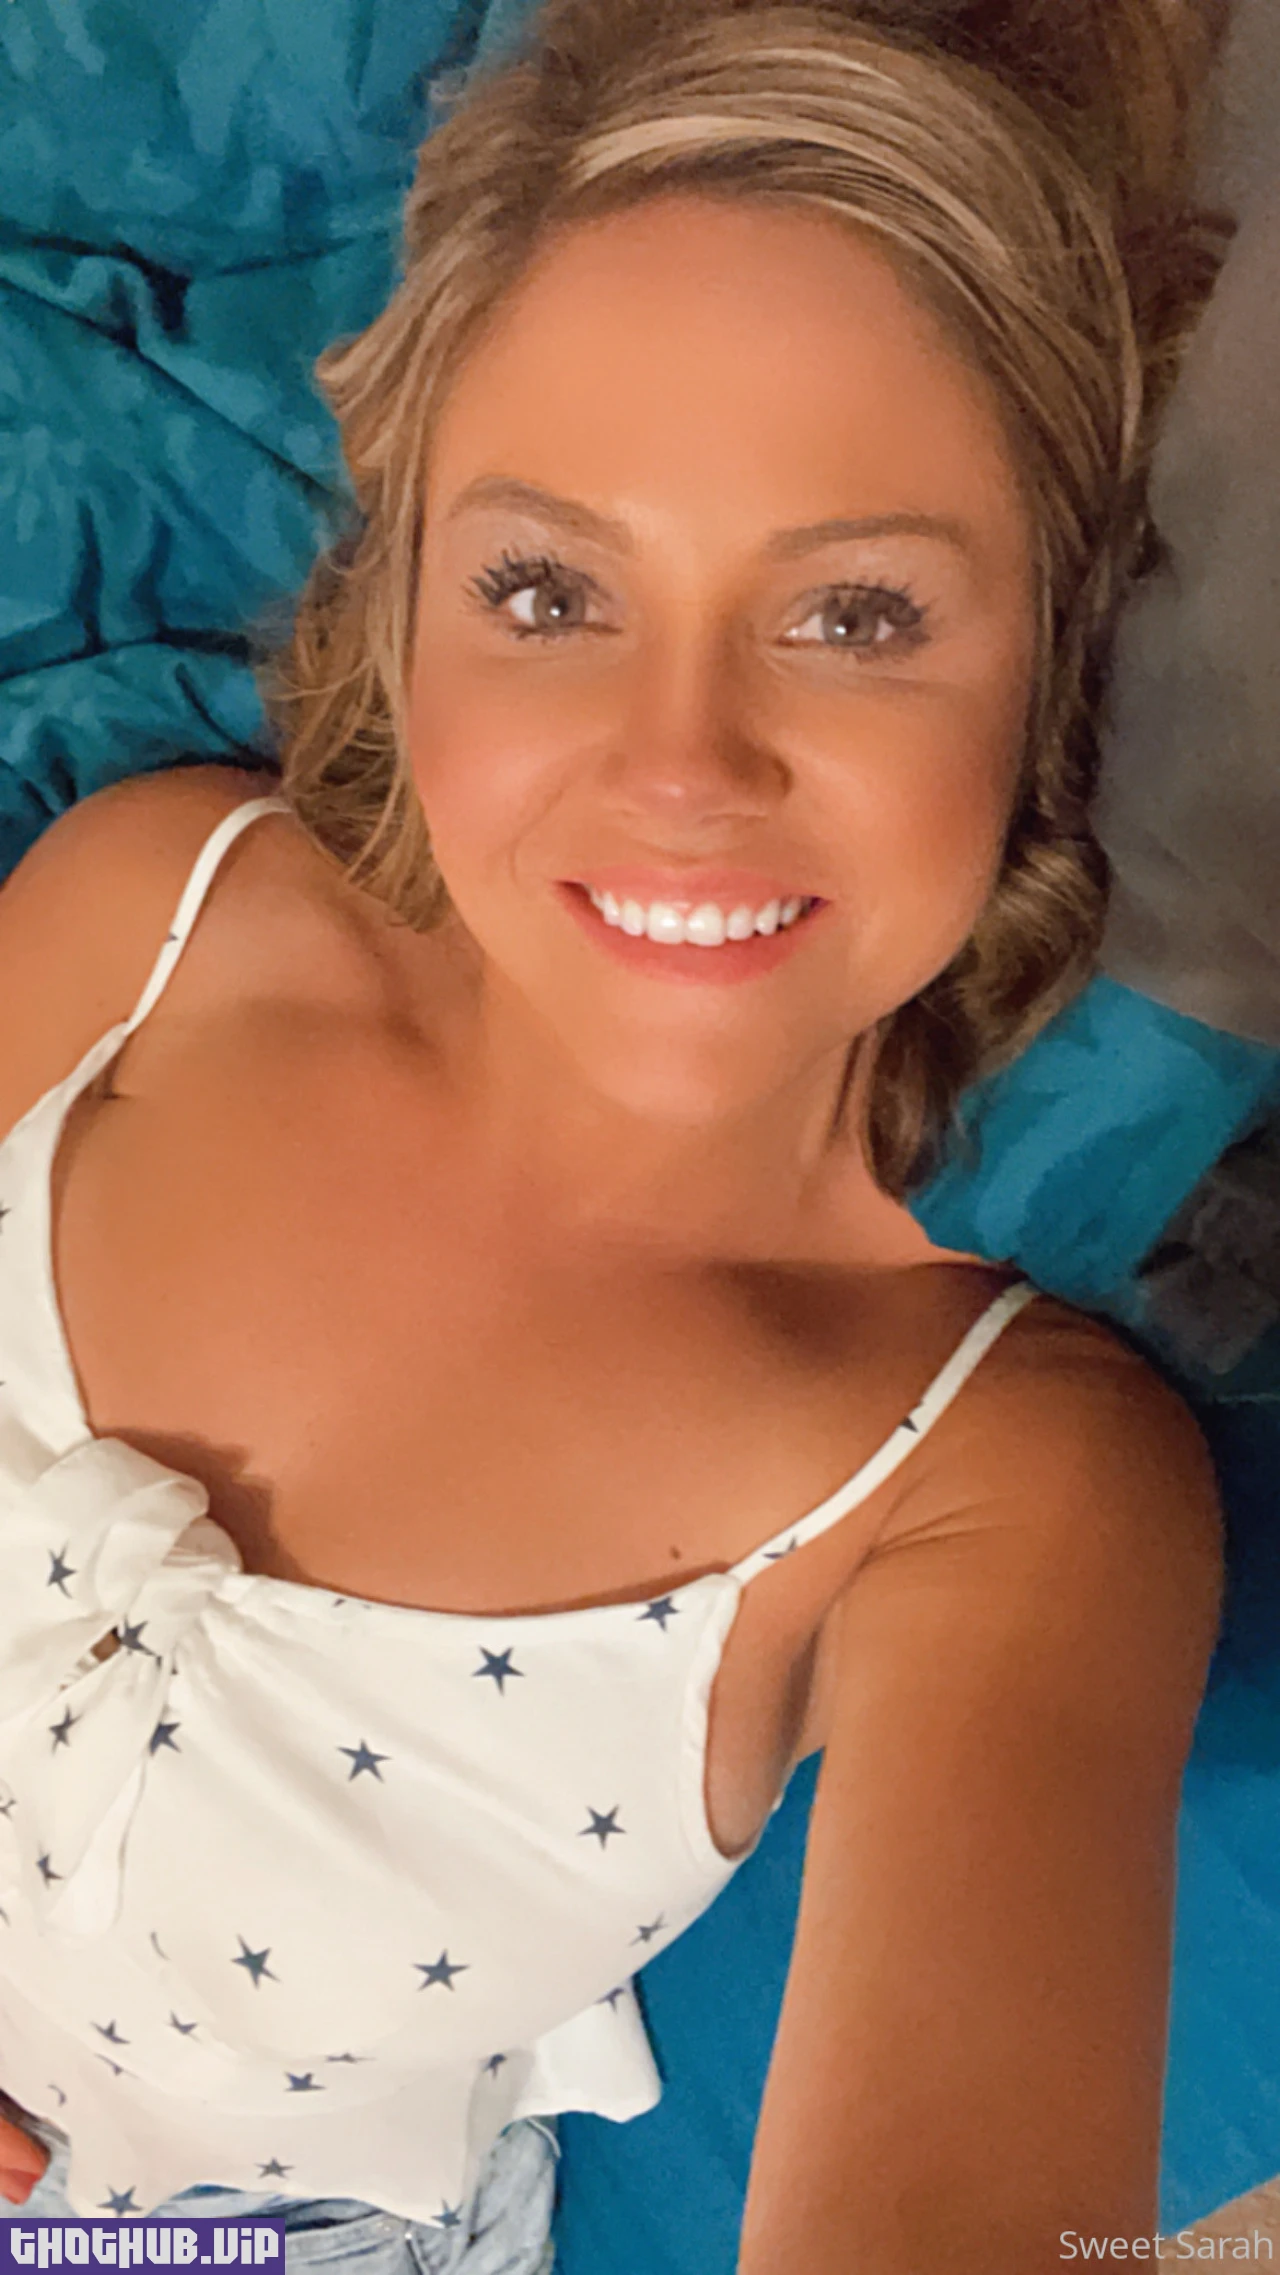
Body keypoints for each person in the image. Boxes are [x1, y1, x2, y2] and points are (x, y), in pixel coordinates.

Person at [0, 0, 1226, 2267]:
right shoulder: (141, 921)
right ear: (405, 610)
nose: (681, 762)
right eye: (549, 591)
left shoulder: (1001, 1492)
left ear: (1048, 664)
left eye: (853, 613)